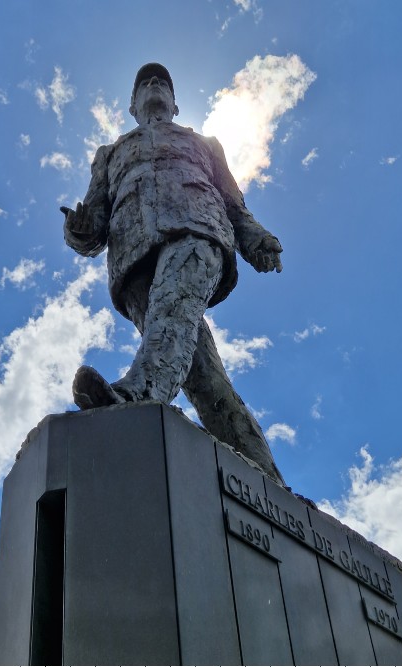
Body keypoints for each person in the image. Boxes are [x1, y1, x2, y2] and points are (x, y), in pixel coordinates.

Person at [62, 63, 285, 484]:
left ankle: (138, 394)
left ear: (175, 100)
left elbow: (235, 204)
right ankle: (267, 478)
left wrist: (256, 239)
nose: (153, 86)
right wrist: (77, 229)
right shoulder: (110, 155)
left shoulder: (205, 144)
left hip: (198, 231)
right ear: (131, 105)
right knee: (205, 380)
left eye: (160, 82)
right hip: (133, 257)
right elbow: (92, 222)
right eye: (145, 82)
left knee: (172, 318)